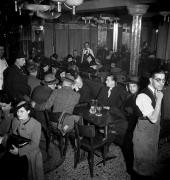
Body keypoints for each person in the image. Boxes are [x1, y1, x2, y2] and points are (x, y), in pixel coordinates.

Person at [132, 68, 165, 179]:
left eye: (163, 80)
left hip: (153, 135)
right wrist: (159, 99)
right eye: (158, 80)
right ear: (151, 80)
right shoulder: (143, 96)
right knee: (141, 170)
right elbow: (154, 119)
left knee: (150, 165)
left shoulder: (156, 92)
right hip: (143, 138)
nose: (161, 83)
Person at [0, 101, 44, 180]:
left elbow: (34, 144)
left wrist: (19, 151)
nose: (18, 114)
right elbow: (11, 134)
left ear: (28, 111)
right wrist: (4, 139)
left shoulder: (36, 124)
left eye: (21, 111)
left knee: (26, 172)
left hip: (29, 151)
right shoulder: (15, 120)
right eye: (17, 111)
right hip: (14, 146)